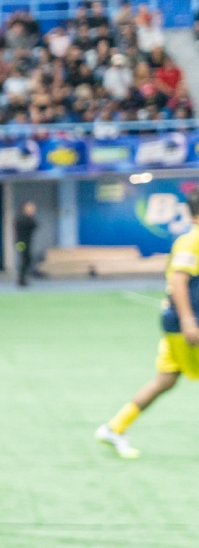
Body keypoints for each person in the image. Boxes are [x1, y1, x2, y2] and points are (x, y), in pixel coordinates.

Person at [96, 188, 199, 459]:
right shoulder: (192, 241)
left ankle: (115, 427)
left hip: (177, 323)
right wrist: (188, 321)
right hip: (186, 325)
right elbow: (178, 281)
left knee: (166, 380)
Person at [14, 201, 38, 286]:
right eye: (31, 208)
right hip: (21, 243)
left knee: (26, 260)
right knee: (25, 259)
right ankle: (21, 279)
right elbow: (34, 225)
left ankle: (23, 278)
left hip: (24, 242)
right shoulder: (23, 219)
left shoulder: (25, 219)